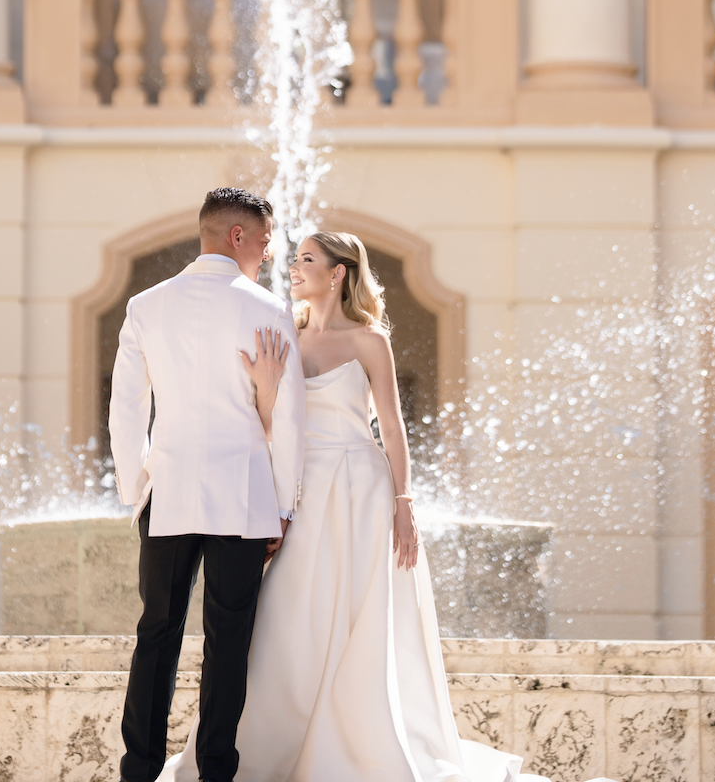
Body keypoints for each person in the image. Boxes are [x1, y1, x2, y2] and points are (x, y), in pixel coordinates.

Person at [163, 231, 556, 782]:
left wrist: (404, 502)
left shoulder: (371, 340)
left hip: (363, 489)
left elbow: (392, 428)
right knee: (285, 615)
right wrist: (266, 387)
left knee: (363, 616)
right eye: (295, 258)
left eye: (307, 260)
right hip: (305, 488)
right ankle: (259, 749)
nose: (295, 267)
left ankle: (358, 750)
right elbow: (271, 428)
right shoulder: (286, 336)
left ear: (339, 273)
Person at [109, 187, 306, 782]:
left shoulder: (145, 306)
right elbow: (289, 417)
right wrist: (286, 503)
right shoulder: (269, 310)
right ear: (237, 236)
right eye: (266, 242)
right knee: (229, 644)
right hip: (244, 500)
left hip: (167, 494)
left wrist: (134, 484)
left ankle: (138, 772)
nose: (270, 256)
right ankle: (217, 770)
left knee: (156, 637)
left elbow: (125, 406)